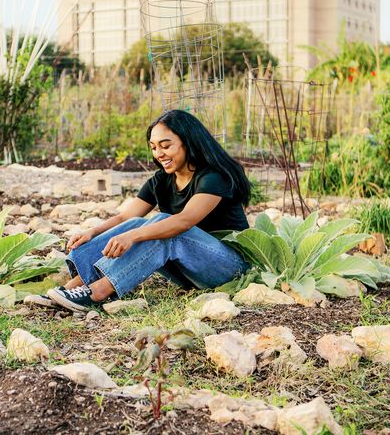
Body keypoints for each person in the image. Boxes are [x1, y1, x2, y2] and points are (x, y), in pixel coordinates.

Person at [46, 109, 251, 312]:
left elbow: (185, 221)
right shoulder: (161, 180)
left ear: (188, 141)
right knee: (139, 224)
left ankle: (98, 292)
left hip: (229, 268)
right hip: (191, 270)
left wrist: (132, 237)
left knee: (165, 227)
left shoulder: (214, 177)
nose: (159, 154)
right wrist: (92, 232)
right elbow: (126, 216)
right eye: (153, 147)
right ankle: (72, 288)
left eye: (165, 146)